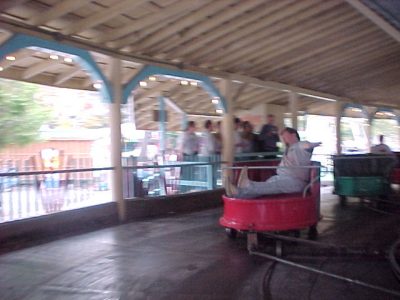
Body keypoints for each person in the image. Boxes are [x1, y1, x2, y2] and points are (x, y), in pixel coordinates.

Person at [225, 127, 321, 199]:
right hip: (280, 177)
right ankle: (238, 193)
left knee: (272, 186)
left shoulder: (299, 145)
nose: (283, 138)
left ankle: (248, 185)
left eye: (285, 136)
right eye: (282, 136)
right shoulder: (288, 148)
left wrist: (311, 145)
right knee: (265, 187)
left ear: (293, 135)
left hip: (294, 181)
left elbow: (306, 145)